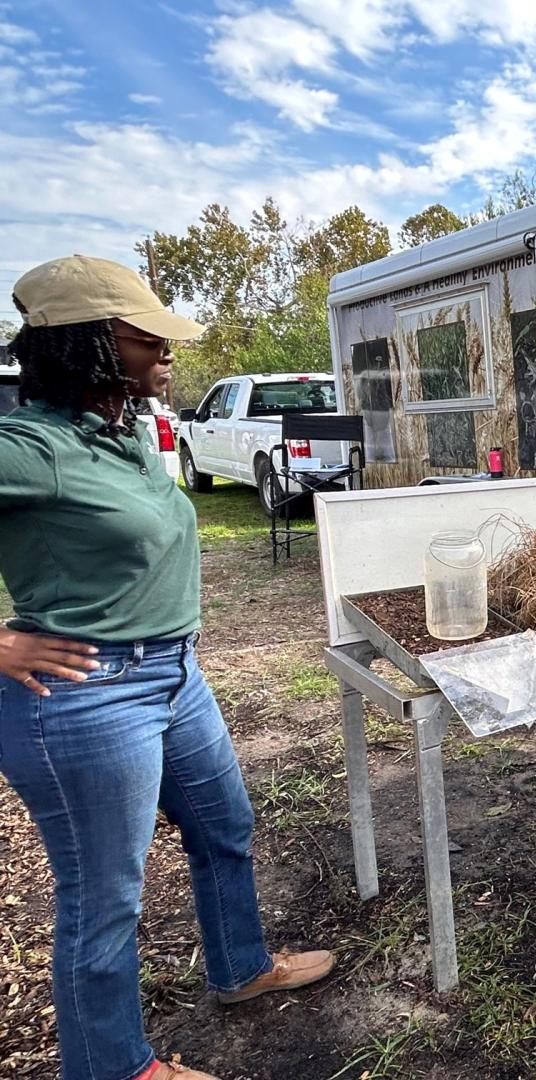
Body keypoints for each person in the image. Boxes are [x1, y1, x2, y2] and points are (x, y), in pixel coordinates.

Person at [0, 256, 334, 1080]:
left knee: (225, 828)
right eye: (145, 334)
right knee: (102, 903)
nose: (167, 349)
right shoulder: (28, 447)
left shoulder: (117, 433)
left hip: (175, 676)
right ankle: (118, 1068)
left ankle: (241, 967)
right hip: (85, 696)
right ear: (89, 343)